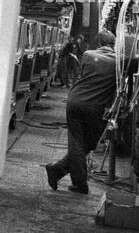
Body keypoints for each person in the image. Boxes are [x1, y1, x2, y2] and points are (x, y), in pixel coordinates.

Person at [44, 30, 119, 194]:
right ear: (114, 44)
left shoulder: (87, 54)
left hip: (76, 102)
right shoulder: (119, 62)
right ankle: (79, 183)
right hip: (96, 108)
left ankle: (58, 170)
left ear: (98, 43)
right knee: (86, 144)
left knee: (79, 143)